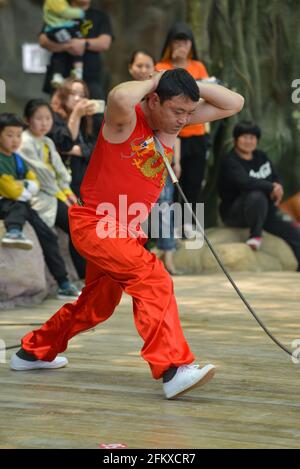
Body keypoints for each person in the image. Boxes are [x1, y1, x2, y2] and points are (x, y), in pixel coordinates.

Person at [10, 69, 244, 399]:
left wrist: (187, 87)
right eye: (177, 111)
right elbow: (119, 96)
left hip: (124, 232)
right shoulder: (126, 119)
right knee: (154, 278)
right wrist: (157, 78)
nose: (182, 121)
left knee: (95, 306)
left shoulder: (171, 120)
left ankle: (32, 352)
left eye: (188, 113)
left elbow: (235, 103)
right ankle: (172, 368)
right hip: (96, 224)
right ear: (153, 99)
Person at [0, 113, 80, 299]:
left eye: (18, 135)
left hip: (20, 203)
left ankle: (63, 283)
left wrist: (25, 187)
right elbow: (10, 188)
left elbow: (32, 180)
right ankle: (14, 231)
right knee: (17, 204)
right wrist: (25, 187)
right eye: (9, 135)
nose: (15, 140)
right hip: (6, 202)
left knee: (48, 235)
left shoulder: (17, 158)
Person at [218, 121, 300, 269]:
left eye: (252, 137)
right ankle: (255, 235)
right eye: (245, 137)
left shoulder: (261, 156)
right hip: (237, 213)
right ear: (236, 139)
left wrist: (278, 186)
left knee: (295, 234)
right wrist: (271, 187)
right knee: (256, 194)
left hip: (265, 211)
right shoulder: (230, 161)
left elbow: (274, 176)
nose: (249, 141)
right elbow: (245, 182)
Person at [19, 99, 86, 280]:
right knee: (76, 226)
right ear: (27, 119)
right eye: (39, 118)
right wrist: (61, 194)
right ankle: (83, 276)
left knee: (85, 221)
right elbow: (43, 175)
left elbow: (61, 172)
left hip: (57, 193)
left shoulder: (47, 141)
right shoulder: (24, 142)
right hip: (41, 195)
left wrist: (68, 193)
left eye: (48, 118)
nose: (44, 123)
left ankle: (89, 275)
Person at [156, 22, 211, 236]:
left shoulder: (198, 67)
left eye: (185, 41)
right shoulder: (160, 66)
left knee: (194, 179)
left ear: (191, 44)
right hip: (169, 133)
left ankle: (189, 223)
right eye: (177, 41)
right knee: (170, 181)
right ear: (170, 44)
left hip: (196, 133)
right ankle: (168, 229)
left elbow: (206, 96)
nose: (181, 45)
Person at [128, 50, 181, 275]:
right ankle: (138, 257)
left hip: (160, 160)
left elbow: (177, 128)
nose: (142, 70)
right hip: (133, 162)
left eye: (147, 65)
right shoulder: (126, 96)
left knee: (165, 206)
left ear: (155, 69)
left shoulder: (164, 95)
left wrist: (175, 159)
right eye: (138, 65)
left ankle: (168, 255)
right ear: (131, 68)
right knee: (134, 210)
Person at [40, 0, 114, 98]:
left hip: (90, 77)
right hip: (61, 76)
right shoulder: (59, 10)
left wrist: (83, 43)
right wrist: (67, 46)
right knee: (59, 111)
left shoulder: (99, 16)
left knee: (94, 110)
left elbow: (105, 43)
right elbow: (43, 40)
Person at [48, 78, 99, 197]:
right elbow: (64, 144)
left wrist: (75, 150)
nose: (78, 99)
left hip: (84, 180)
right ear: (63, 95)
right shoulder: (53, 117)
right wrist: (76, 115)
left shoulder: (87, 119)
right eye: (73, 94)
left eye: (82, 95)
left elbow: (96, 148)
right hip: (62, 183)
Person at [43, 0, 86, 86]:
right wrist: (80, 13)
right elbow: (64, 12)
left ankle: (70, 73)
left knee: (69, 48)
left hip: (60, 28)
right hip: (58, 29)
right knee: (74, 47)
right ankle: (74, 72)